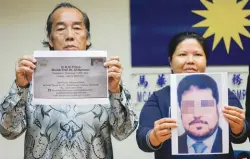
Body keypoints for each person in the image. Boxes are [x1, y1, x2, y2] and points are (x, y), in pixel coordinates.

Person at [0, 2, 138, 159]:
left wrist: (116, 91)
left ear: (87, 38)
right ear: (50, 39)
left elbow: (124, 132)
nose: (70, 35)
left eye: (77, 28)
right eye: (60, 29)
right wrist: (20, 87)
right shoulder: (31, 78)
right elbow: (9, 131)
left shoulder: (106, 79)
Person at [136, 31, 248, 159]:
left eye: (197, 54)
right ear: (170, 61)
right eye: (182, 54)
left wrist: (239, 127)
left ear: (206, 60)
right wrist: (154, 136)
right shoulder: (158, 98)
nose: (190, 61)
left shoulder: (224, 94)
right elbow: (142, 139)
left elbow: (241, 137)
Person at [177, 74, 222, 153]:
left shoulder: (229, 139)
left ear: (217, 109)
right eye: (189, 107)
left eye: (205, 106)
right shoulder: (171, 146)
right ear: (180, 112)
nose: (197, 115)